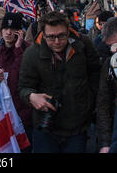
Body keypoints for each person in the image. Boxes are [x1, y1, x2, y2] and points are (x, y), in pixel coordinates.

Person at [18, 10, 101, 153]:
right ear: (43, 34)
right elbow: (23, 87)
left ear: (68, 31)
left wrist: (89, 100)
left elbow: (95, 72)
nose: (57, 42)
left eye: (61, 36)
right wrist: (31, 96)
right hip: (45, 128)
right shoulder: (31, 54)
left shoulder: (84, 45)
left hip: (77, 127)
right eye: (51, 37)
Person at [0, 12, 32, 148]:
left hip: (21, 114)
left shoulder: (28, 50)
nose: (8, 33)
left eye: (13, 29)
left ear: (19, 32)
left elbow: (22, 76)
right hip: (0, 114)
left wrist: (17, 49)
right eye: (5, 29)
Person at [96, 16, 117, 153]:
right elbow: (103, 103)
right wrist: (105, 142)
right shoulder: (109, 65)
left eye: (115, 45)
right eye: (110, 47)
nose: (113, 51)